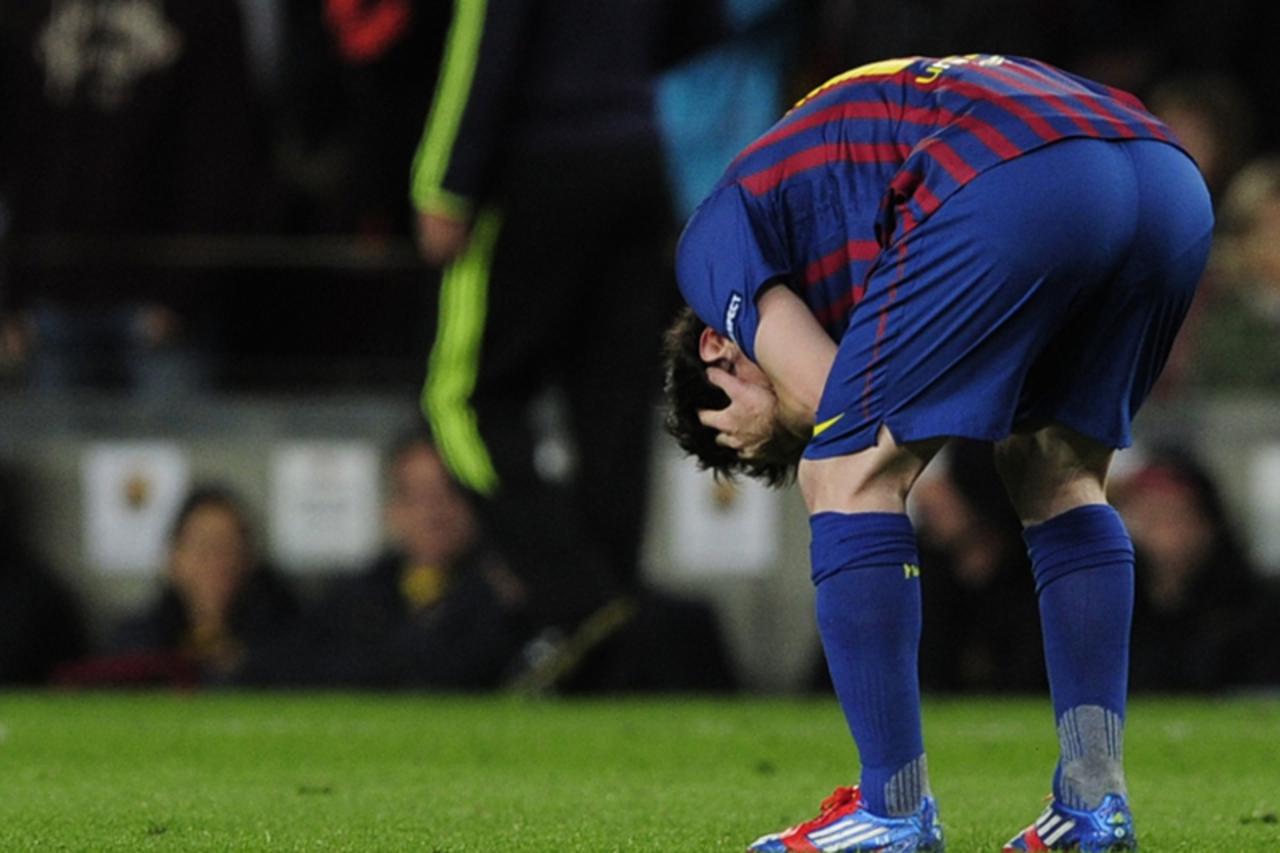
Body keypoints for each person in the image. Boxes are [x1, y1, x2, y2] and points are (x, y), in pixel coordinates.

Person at [664, 55, 1212, 852]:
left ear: (719, 348)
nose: (780, 434)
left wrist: (845, 451)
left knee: (844, 468)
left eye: (754, 422)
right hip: (1162, 175)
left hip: (1015, 174)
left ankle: (891, 809)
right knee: (1053, 468)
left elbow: (827, 399)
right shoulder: (832, 223)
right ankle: (1094, 806)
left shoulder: (708, 247)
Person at [408, 0, 721, 675]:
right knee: (609, 408)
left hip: (539, 162)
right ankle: (607, 636)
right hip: (638, 162)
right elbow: (701, 24)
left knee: (462, 400)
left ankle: (577, 596)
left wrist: (447, 183)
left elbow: (484, 41)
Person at [234, 433, 527, 689]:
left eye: (449, 492)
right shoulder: (358, 596)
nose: (433, 513)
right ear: (392, 510)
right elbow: (287, 663)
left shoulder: (511, 594)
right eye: (416, 496)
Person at [103, 486, 297, 684]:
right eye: (203, 547)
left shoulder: (289, 637)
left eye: (228, 547)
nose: (216, 562)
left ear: (249, 559)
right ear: (173, 559)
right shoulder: (138, 640)